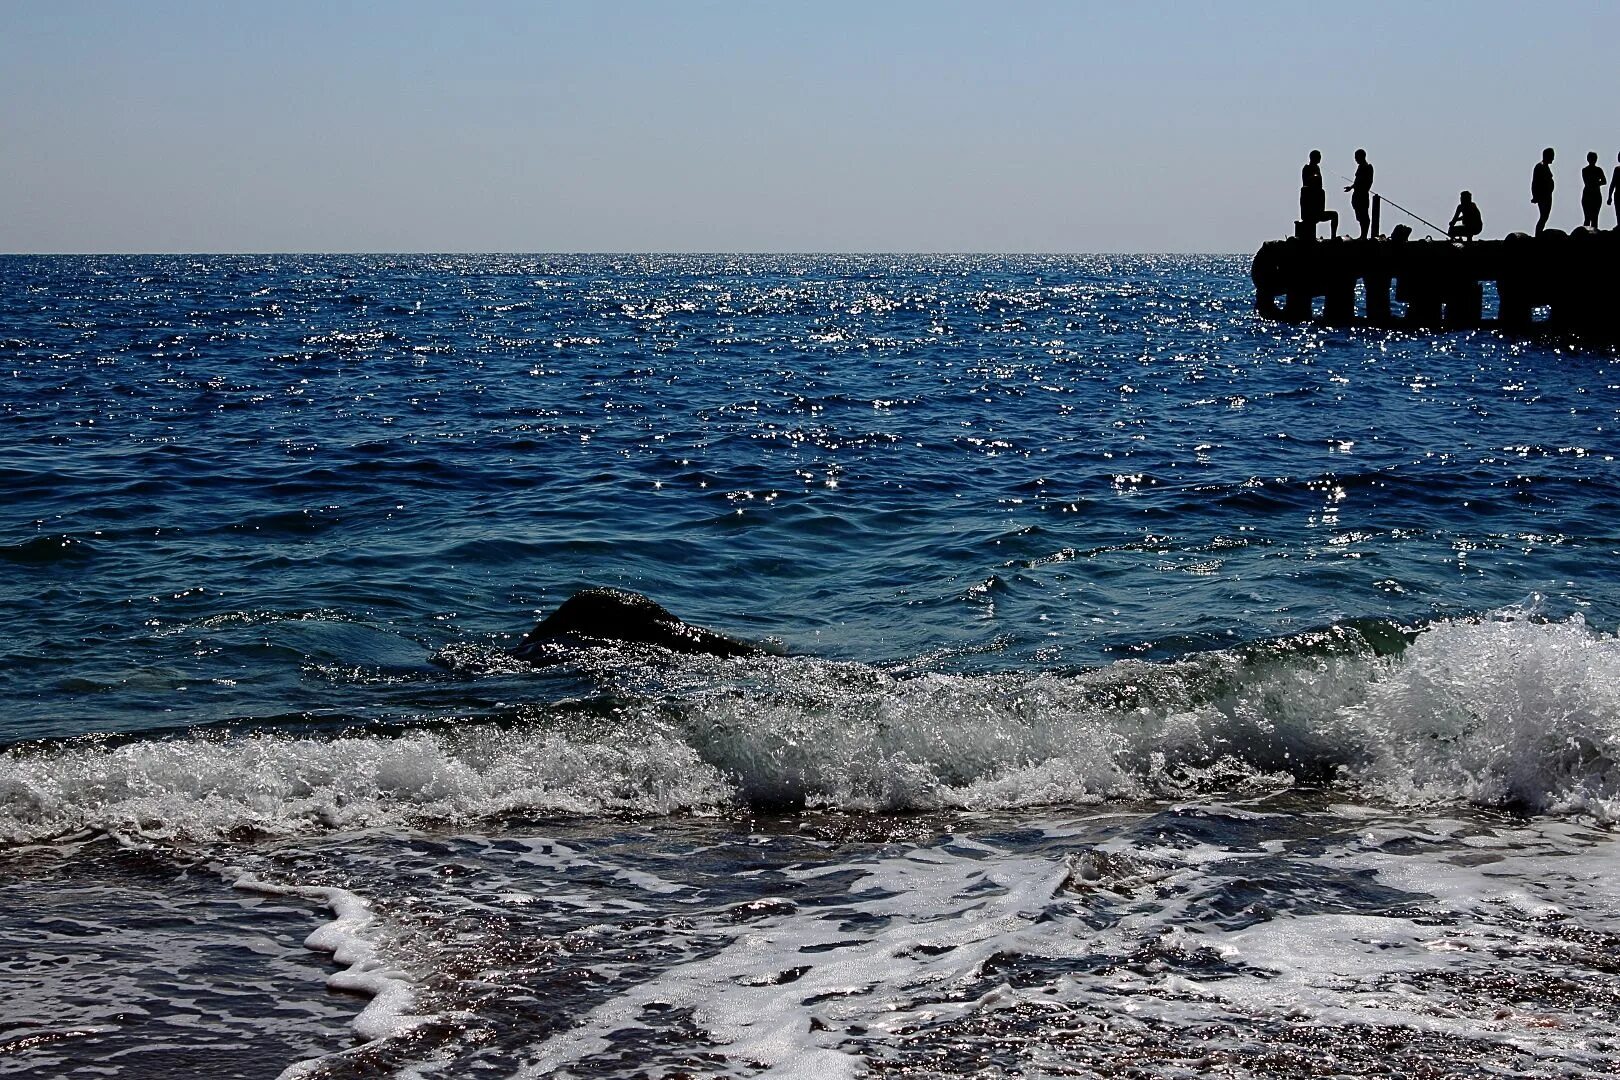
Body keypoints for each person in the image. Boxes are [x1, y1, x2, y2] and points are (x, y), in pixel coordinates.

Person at [1300, 150, 1338, 238]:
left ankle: (1333, 236)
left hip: (1319, 211)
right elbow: (1306, 182)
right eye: (1318, 157)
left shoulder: (1317, 168)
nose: (1320, 159)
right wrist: (1313, 177)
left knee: (1335, 215)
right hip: (1310, 213)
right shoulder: (1306, 168)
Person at [1343, 149, 1374, 239]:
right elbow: (1357, 181)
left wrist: (1362, 189)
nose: (1355, 159)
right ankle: (1362, 235)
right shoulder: (1360, 167)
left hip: (1362, 195)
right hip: (1356, 194)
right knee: (1359, 215)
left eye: (1356, 157)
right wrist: (1351, 187)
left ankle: (1364, 235)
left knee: (1364, 215)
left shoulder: (1367, 167)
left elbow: (1366, 181)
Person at [1531, 147, 1555, 235]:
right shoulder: (1540, 167)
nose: (1553, 158)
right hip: (1543, 196)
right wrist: (1535, 196)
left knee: (1545, 216)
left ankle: (1539, 233)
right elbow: (1535, 182)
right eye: (1552, 156)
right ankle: (1538, 234)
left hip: (1548, 195)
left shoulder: (1545, 167)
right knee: (1543, 216)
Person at [1581, 151, 1607, 230]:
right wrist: (1597, 182)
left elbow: (1604, 181)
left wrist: (1595, 183)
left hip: (1594, 195)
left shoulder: (1597, 170)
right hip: (1589, 195)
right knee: (1588, 217)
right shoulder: (1585, 170)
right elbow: (1587, 182)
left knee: (1594, 218)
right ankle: (1587, 234)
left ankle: (1591, 234)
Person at [1610, 152, 1620, 230]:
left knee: (1618, 212)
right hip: (1617, 194)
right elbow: (1613, 183)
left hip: (1618, 194)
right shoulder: (1617, 169)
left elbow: (1613, 183)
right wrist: (1609, 196)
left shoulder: (1617, 170)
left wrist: (1609, 196)